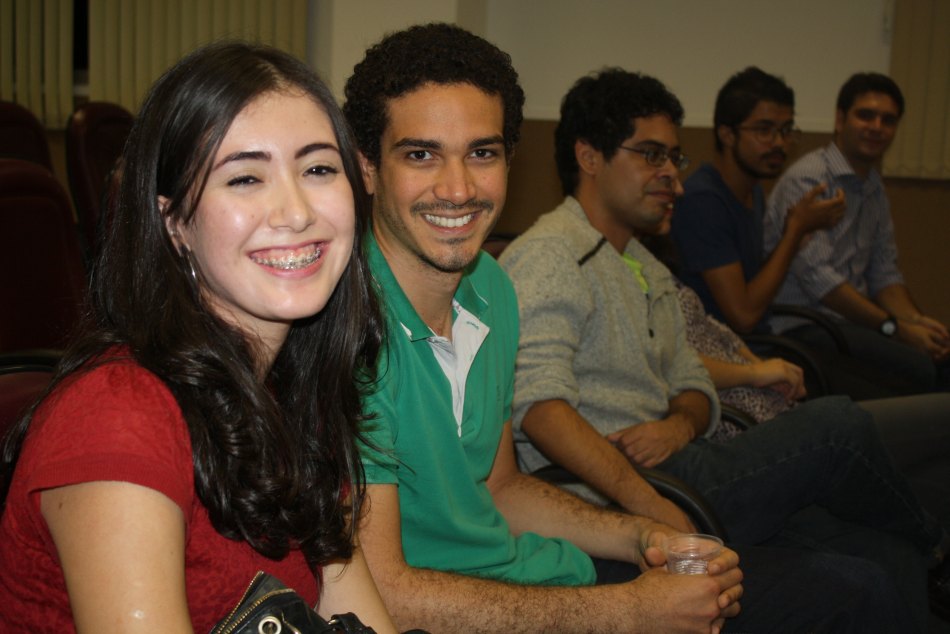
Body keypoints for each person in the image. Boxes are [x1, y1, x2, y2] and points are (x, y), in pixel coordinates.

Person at [345, 23, 919, 634]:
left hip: (535, 574)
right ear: (367, 168)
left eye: (482, 153)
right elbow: (382, 594)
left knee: (863, 578)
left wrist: (643, 533)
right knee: (849, 578)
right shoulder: (343, 328)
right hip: (458, 609)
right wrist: (630, 611)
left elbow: (503, 489)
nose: (458, 188)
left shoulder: (490, 288)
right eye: (421, 154)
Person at [499, 66, 948, 632]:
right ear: (589, 157)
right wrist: (649, 505)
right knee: (838, 426)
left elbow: (692, 381)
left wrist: (678, 424)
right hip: (620, 497)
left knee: (884, 555)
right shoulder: (550, 255)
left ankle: (925, 556)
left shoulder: (644, 265)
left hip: (680, 465)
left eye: (674, 158)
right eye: (652, 155)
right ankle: (940, 548)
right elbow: (539, 410)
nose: (673, 176)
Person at [0, 42, 396, 633]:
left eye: (318, 169)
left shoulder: (295, 398)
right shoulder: (119, 415)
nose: (295, 212)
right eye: (244, 178)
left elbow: (357, 615)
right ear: (175, 223)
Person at [669, 66, 911, 399]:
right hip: (726, 354)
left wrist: (795, 235)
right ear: (727, 134)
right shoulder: (703, 200)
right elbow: (743, 316)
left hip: (762, 342)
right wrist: (795, 233)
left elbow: (758, 285)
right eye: (764, 130)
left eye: (785, 130)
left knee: (902, 381)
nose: (779, 143)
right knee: (880, 399)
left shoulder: (752, 191)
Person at [764, 72, 950, 393]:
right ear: (840, 120)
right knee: (919, 370)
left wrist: (917, 323)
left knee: (939, 355)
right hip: (805, 326)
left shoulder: (873, 187)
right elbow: (822, 283)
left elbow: (885, 273)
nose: (876, 127)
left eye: (888, 120)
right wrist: (895, 328)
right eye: (866, 115)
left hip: (850, 325)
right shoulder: (809, 179)